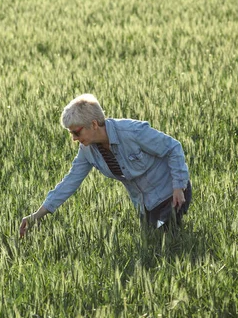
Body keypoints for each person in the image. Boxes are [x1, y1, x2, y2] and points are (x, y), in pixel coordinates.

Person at [19, 94, 192, 237]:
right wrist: (37, 215)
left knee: (165, 239)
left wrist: (178, 187)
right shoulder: (87, 151)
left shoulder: (132, 132)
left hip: (172, 194)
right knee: (152, 242)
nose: (73, 138)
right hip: (145, 205)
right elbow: (69, 182)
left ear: (94, 124)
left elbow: (173, 148)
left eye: (76, 132)